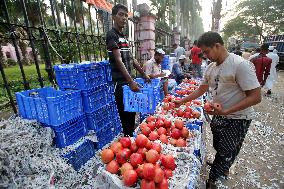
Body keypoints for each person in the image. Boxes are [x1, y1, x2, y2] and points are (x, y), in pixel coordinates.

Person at [174, 32, 261, 189]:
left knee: (227, 151)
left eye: (207, 51)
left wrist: (228, 111)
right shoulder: (210, 68)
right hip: (219, 114)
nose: (205, 56)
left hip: (238, 117)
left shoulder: (240, 65)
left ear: (217, 46)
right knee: (219, 146)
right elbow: (201, 89)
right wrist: (182, 101)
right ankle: (222, 166)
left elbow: (255, 97)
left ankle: (213, 179)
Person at [106, 4, 150, 137]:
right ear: (114, 17)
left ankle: (130, 138)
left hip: (129, 82)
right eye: (120, 14)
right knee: (125, 115)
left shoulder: (123, 37)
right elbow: (118, 60)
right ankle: (128, 139)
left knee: (132, 112)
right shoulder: (111, 35)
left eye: (126, 15)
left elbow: (131, 59)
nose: (124, 18)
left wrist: (143, 74)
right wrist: (130, 82)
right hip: (120, 84)